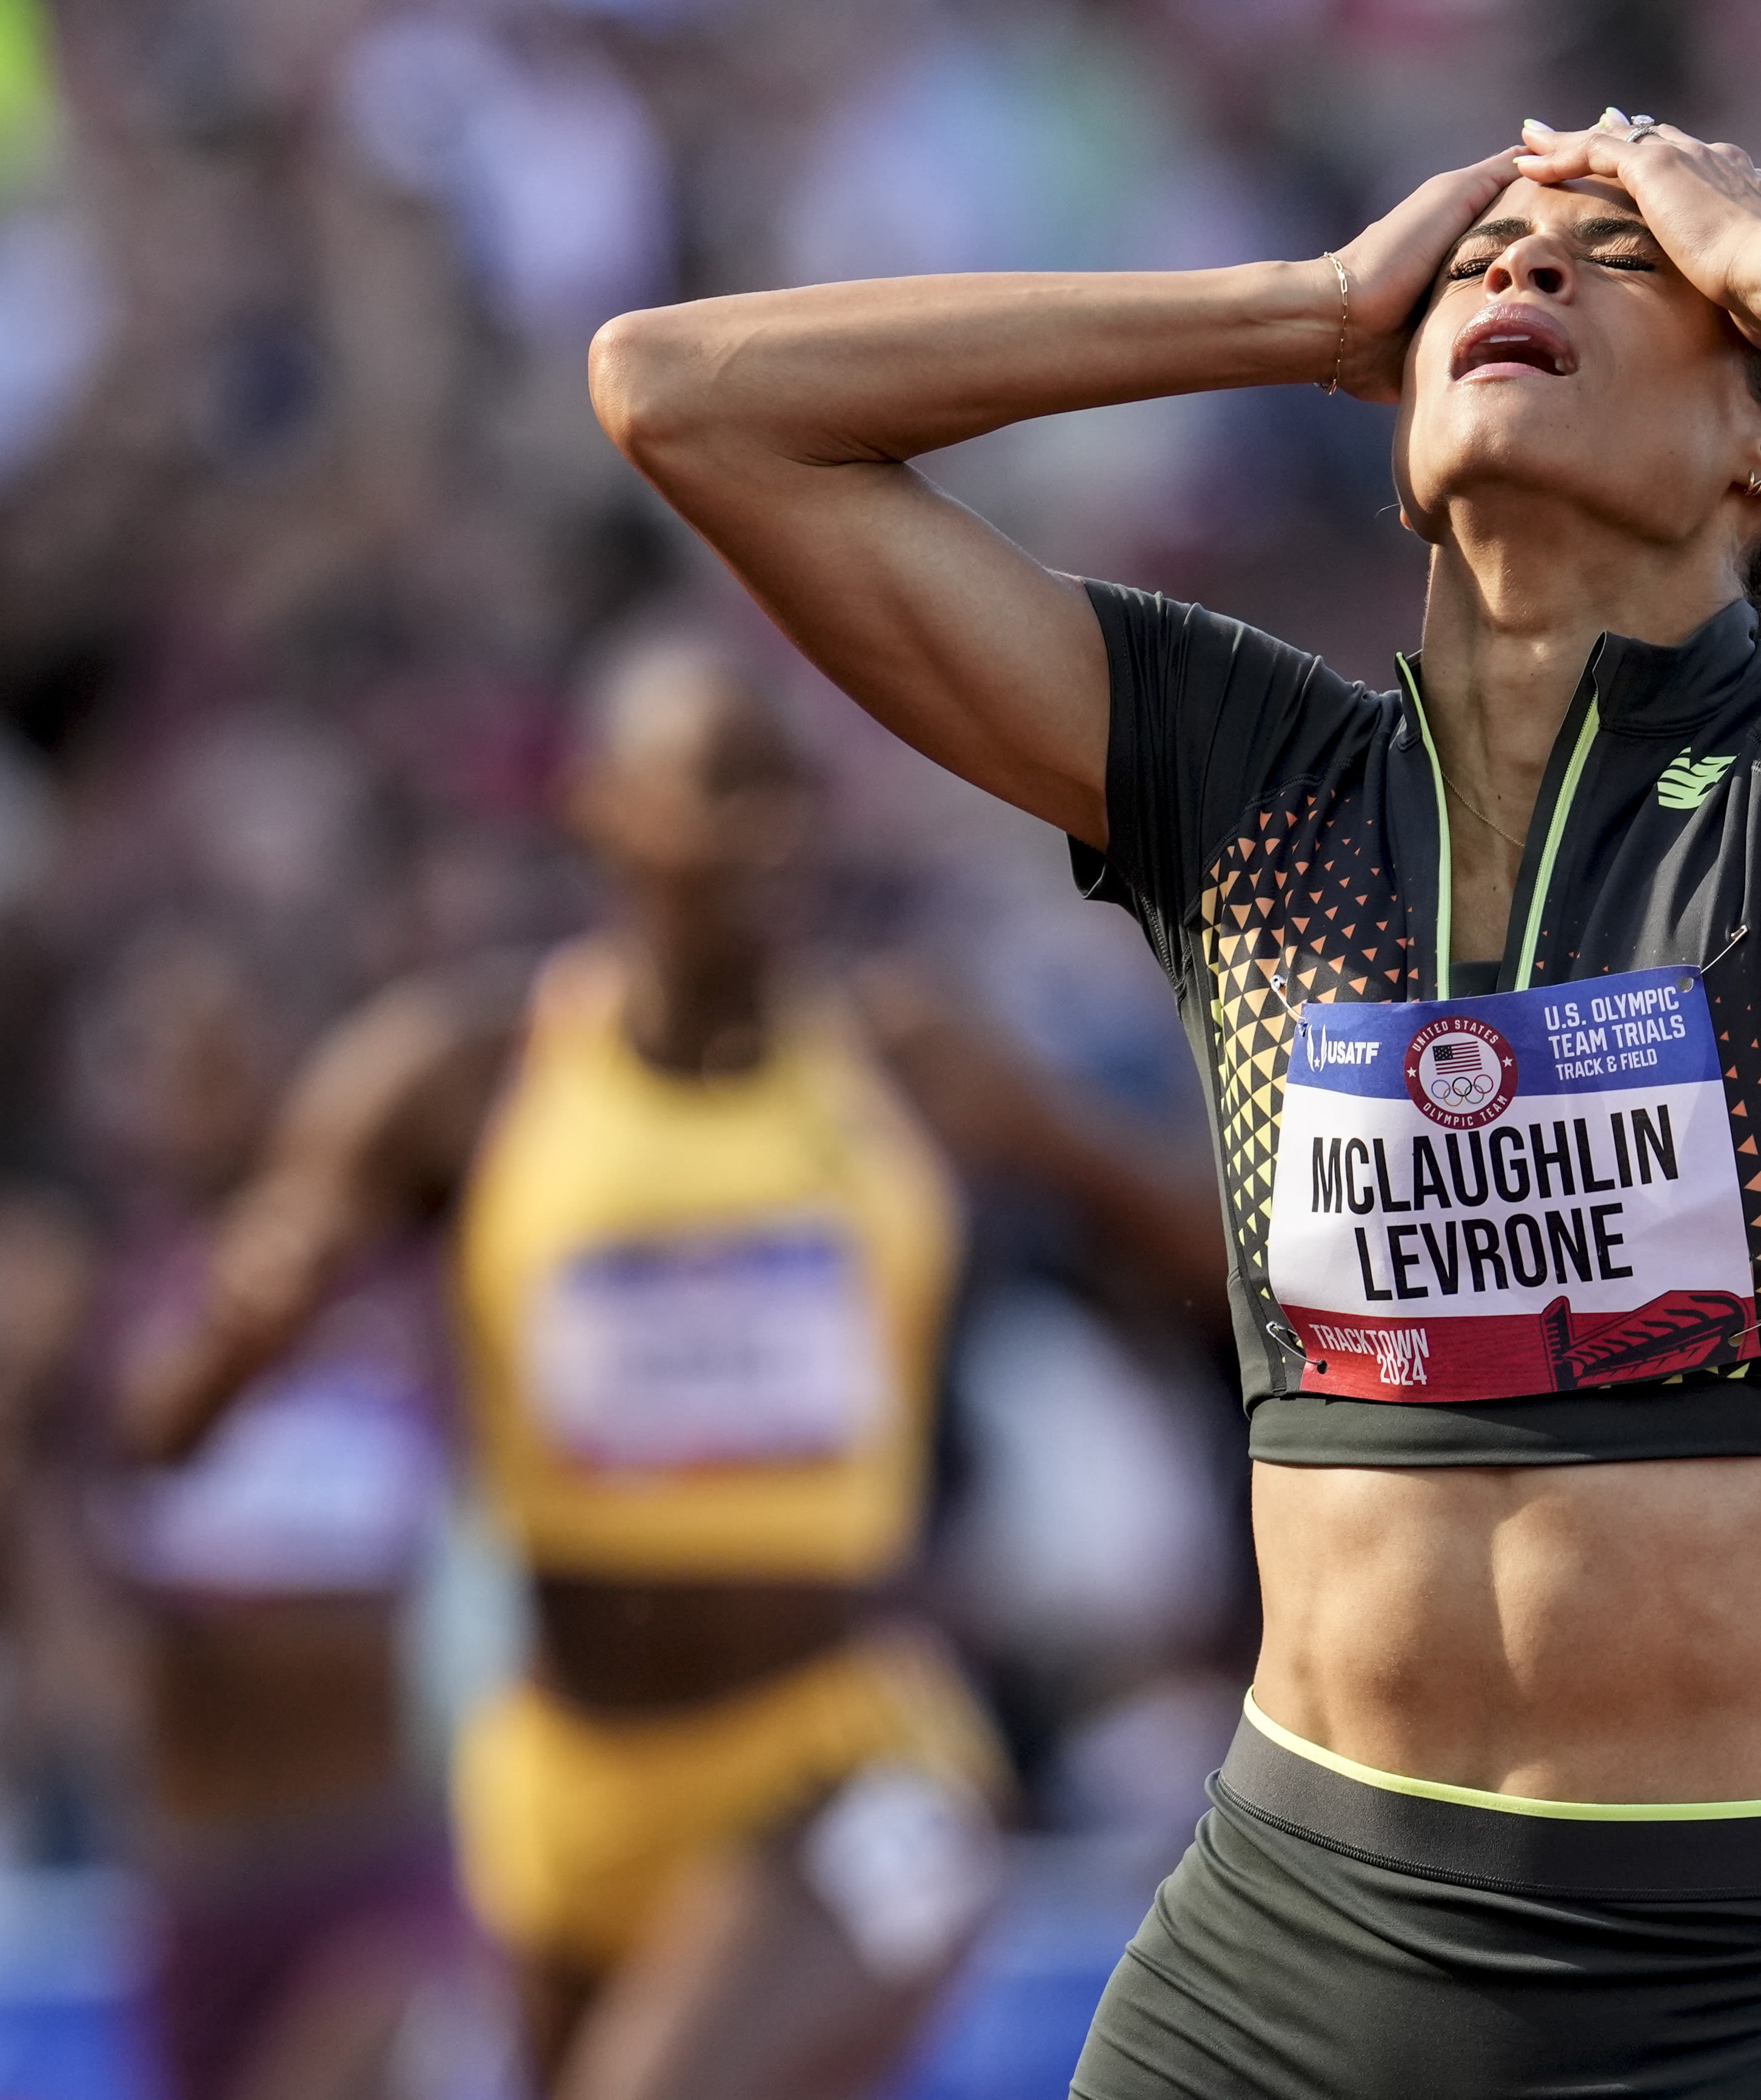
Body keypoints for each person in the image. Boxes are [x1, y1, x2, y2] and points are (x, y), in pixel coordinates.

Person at [586, 105, 1761, 2098]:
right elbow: (677, 396)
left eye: (1615, 269)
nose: (1516, 274)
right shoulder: (1243, 775)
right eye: (1477, 269)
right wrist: (1300, 307)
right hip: (1273, 1963)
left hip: (1710, 1992)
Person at [118, 638, 1225, 2100]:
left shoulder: (904, 1058)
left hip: (855, 1755)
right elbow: (162, 1426)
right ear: (602, 809)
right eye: (720, 789)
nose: (768, 831)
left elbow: (1198, 1247)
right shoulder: (461, 1072)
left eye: (789, 793)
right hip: (565, 1788)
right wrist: (238, 1328)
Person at [44, 930, 476, 2100]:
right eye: (169, 1056)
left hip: (373, 1856)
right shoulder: (94, 1295)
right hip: (192, 1867)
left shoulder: (404, 1285)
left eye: (227, 1049)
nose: (199, 1080)